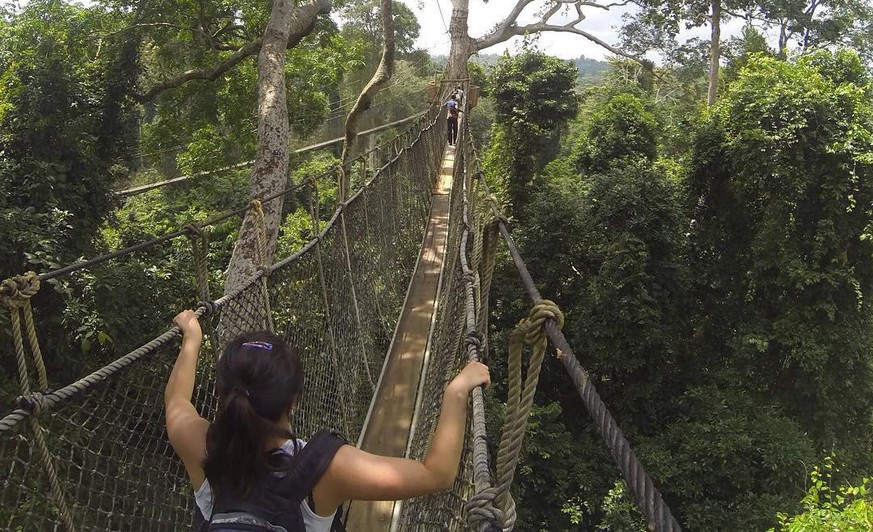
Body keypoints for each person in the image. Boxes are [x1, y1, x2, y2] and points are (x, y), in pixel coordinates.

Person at [165, 310, 490, 532]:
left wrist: (192, 337)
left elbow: (176, 401)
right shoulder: (325, 468)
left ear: (222, 394)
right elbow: (436, 474)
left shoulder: (200, 444)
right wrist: (456, 393)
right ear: (294, 399)